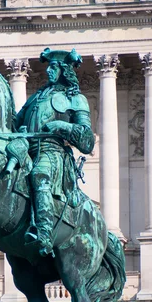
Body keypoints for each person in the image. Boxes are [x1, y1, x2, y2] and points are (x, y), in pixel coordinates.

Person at [16, 48, 94, 257]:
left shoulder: (75, 99)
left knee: (39, 175)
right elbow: (15, 123)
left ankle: (44, 234)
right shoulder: (35, 99)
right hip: (26, 149)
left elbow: (87, 140)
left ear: (64, 70)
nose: (49, 71)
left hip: (53, 154)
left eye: (53, 67)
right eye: (48, 67)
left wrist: (62, 126)